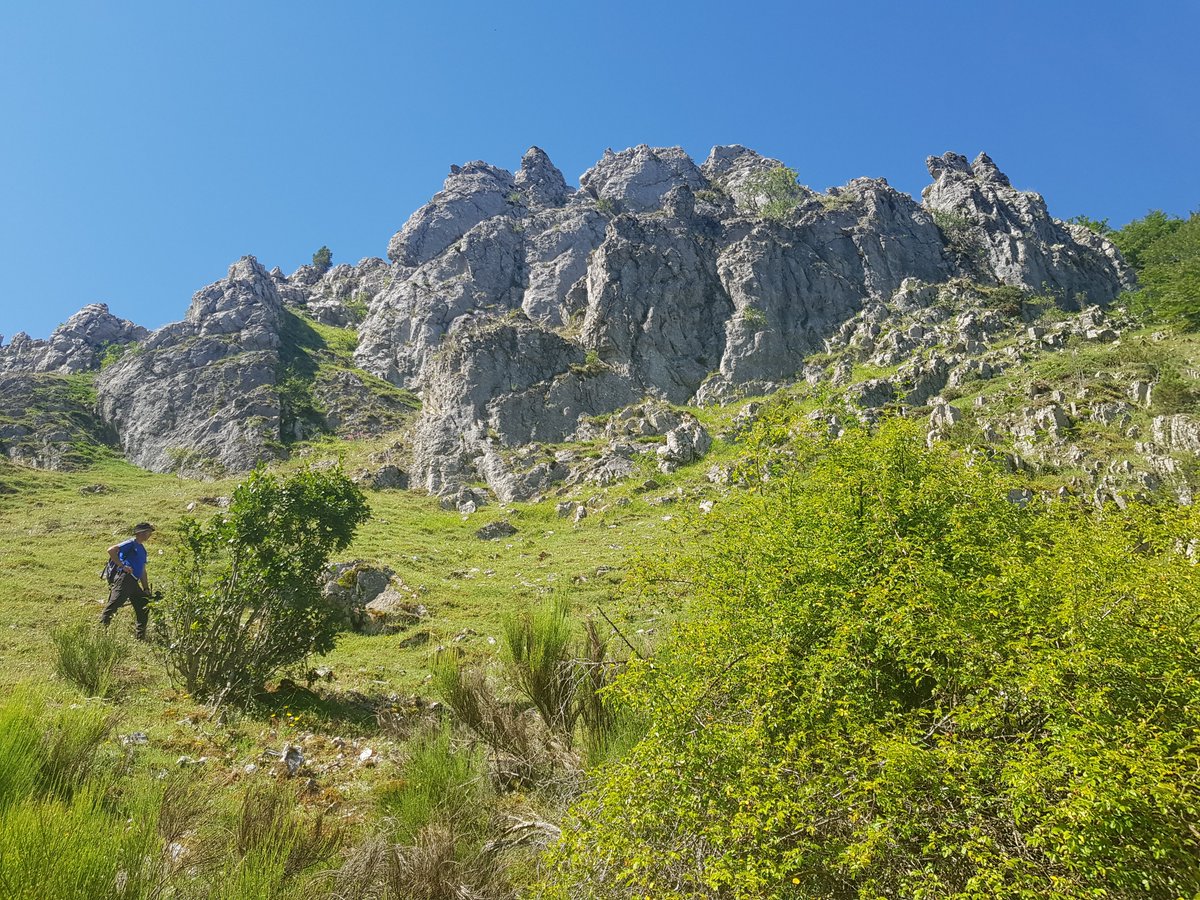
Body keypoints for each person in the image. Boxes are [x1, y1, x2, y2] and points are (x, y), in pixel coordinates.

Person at [100, 522, 156, 639]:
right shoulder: (131, 543)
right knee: (114, 604)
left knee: (143, 605)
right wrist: (122, 565)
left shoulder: (143, 550)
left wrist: (146, 589)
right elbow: (111, 550)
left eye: (149, 532)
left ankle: (140, 637)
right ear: (140, 533)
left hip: (133, 581)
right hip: (125, 578)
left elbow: (143, 571)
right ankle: (100, 632)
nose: (149, 535)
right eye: (147, 532)